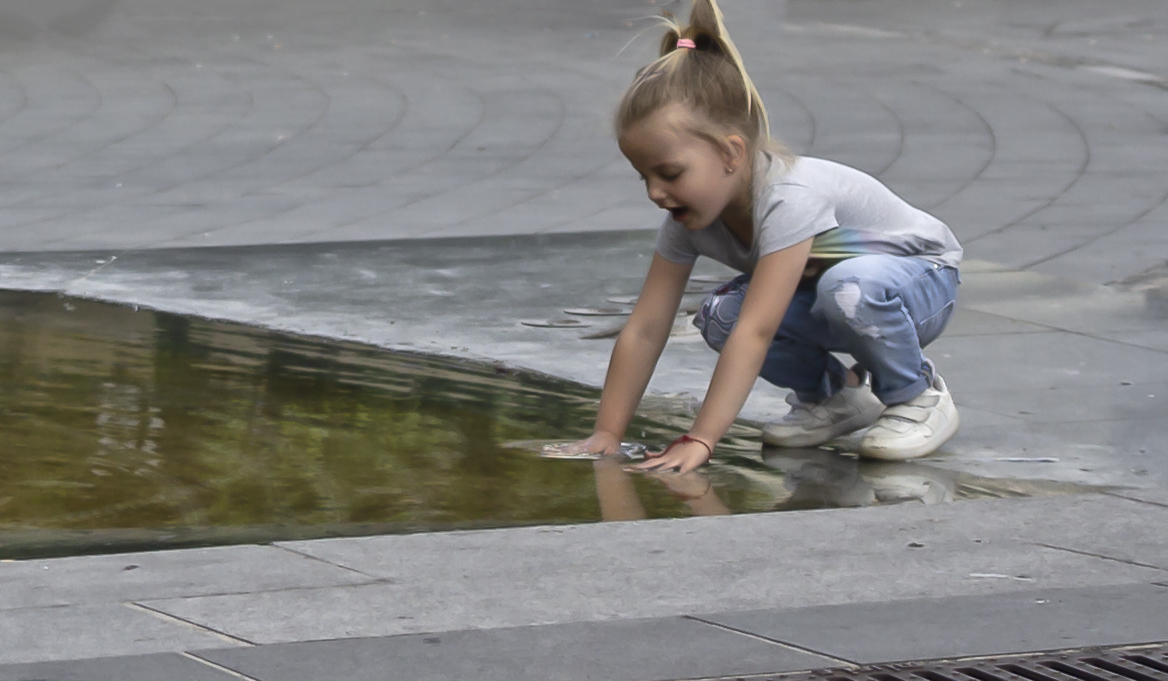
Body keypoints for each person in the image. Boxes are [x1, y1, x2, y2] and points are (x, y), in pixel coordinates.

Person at [567, 0, 963, 473]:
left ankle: (917, 396)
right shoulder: (688, 219)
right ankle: (837, 399)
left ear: (731, 153)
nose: (656, 192)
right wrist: (607, 434)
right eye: (644, 177)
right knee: (720, 315)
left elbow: (759, 331)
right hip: (830, 292)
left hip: (919, 283)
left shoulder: (788, 198)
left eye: (670, 173)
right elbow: (646, 327)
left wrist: (702, 440)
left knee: (846, 288)